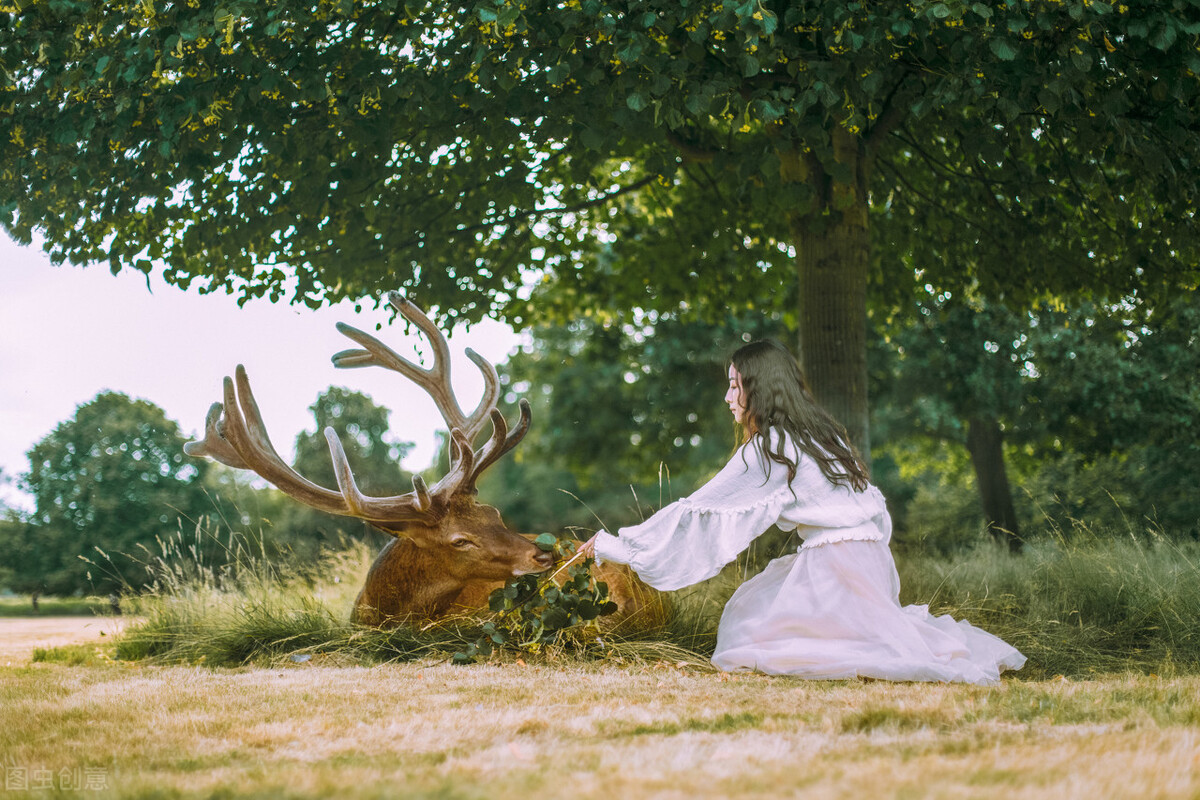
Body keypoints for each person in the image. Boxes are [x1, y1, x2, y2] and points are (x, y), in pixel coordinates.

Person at [578, 339, 1025, 684]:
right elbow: (874, 509)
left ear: (759, 387)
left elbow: (701, 510)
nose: (728, 397)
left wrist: (616, 545)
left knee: (747, 638)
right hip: (867, 560)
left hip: (839, 566)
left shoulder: (772, 446)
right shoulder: (819, 435)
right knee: (754, 612)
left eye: (735, 385)